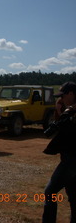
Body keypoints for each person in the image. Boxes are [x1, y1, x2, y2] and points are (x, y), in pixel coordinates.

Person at [42, 82, 76, 223]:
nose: (61, 99)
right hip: (69, 158)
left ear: (71, 94)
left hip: (72, 160)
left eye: (63, 95)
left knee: (50, 192)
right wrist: (63, 113)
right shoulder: (70, 111)